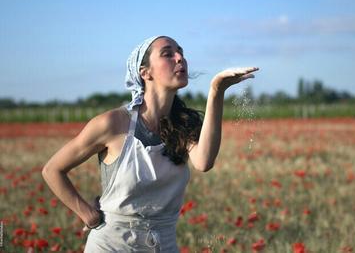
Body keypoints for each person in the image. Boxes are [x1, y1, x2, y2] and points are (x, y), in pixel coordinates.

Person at [42, 35, 259, 252]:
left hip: (163, 244)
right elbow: (52, 169)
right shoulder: (113, 123)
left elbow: (204, 162)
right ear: (144, 72)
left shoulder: (184, 124)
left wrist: (216, 90)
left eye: (181, 52)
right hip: (111, 245)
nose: (180, 58)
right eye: (168, 54)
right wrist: (88, 215)